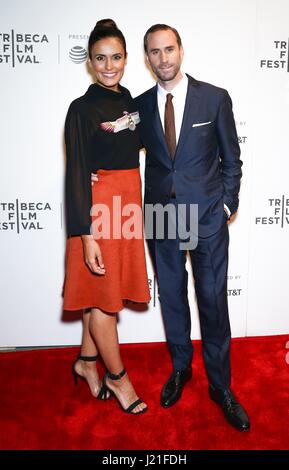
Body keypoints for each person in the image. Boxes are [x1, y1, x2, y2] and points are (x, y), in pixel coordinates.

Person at [135, 24, 250, 430]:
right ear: (146, 57)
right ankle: (181, 368)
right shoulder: (140, 106)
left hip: (205, 216)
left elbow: (232, 159)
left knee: (213, 303)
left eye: (169, 49)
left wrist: (225, 204)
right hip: (162, 216)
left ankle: (221, 386)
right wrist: (95, 174)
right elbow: (120, 151)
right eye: (154, 52)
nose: (163, 58)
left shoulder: (214, 99)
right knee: (171, 298)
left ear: (180, 50)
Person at [63, 19, 150, 415]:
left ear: (127, 59)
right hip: (98, 213)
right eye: (101, 58)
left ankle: (85, 362)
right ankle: (119, 380)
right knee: (102, 302)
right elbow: (77, 172)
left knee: (99, 295)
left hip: (127, 207)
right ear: (90, 62)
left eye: (116, 57)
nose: (109, 65)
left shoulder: (130, 99)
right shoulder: (81, 109)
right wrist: (86, 235)